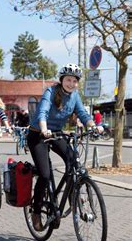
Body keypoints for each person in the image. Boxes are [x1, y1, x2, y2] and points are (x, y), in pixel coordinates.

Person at [27, 63, 103, 231]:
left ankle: (72, 197)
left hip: (57, 133)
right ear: (62, 80)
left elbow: (82, 113)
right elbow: (43, 111)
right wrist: (44, 128)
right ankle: (37, 211)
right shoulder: (51, 92)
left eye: (74, 81)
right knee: (45, 174)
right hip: (38, 133)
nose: (71, 83)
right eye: (68, 80)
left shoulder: (75, 96)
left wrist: (92, 126)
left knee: (73, 161)